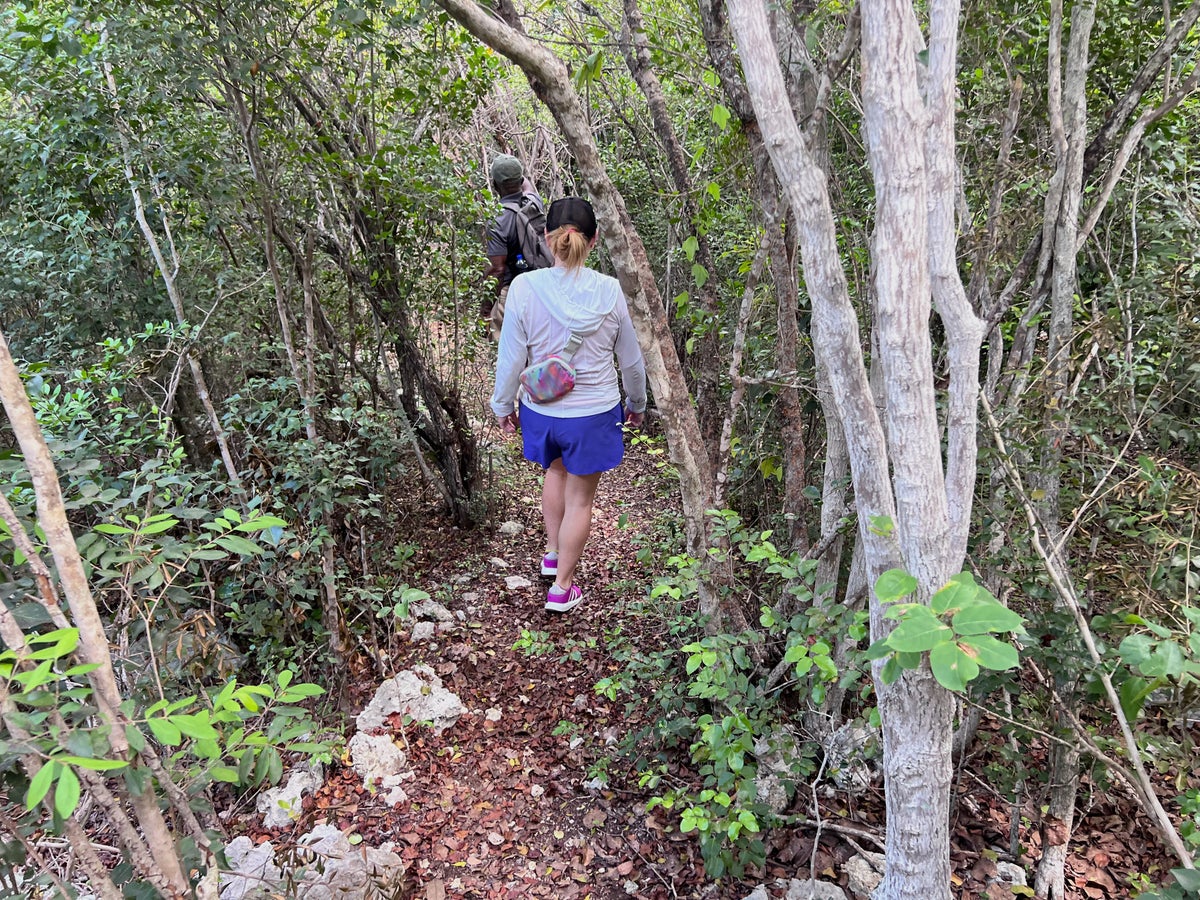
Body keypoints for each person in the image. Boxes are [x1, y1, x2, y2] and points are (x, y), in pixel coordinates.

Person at [490, 197, 647, 614]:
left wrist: (503, 405)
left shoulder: (524, 287)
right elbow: (630, 360)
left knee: (554, 473)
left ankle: (552, 553)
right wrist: (638, 402)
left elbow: (511, 357)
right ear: (593, 240)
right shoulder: (610, 291)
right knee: (581, 499)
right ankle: (562, 588)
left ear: (546, 237)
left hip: (541, 409)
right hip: (592, 414)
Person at [482, 154, 551, 340]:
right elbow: (527, 186)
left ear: (496, 186)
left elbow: (498, 270)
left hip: (512, 293)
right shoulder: (534, 203)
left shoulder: (497, 220)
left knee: (511, 353)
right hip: (542, 289)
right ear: (521, 180)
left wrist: (485, 311)